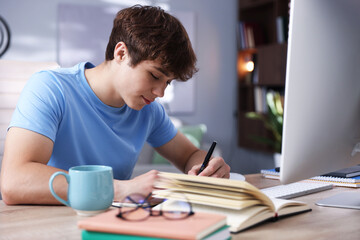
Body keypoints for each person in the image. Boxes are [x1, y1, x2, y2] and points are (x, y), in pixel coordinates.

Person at [0, 5, 230, 205]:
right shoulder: (51, 88)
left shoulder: (149, 110)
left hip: (113, 225)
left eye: (167, 82)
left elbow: (189, 154)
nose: (160, 92)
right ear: (121, 53)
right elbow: (15, 181)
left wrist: (208, 167)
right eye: (154, 75)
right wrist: (118, 189)